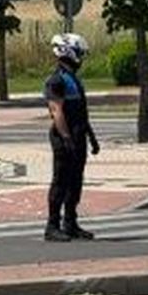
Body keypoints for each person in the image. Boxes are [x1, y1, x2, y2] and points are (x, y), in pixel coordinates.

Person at [43, 32, 100, 242]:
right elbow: (57, 111)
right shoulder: (56, 80)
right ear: (69, 52)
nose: (81, 58)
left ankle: (70, 223)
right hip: (63, 138)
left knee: (75, 181)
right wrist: (66, 138)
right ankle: (52, 226)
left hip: (78, 135)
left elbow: (81, 112)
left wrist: (91, 138)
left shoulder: (73, 79)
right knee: (60, 181)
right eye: (79, 54)